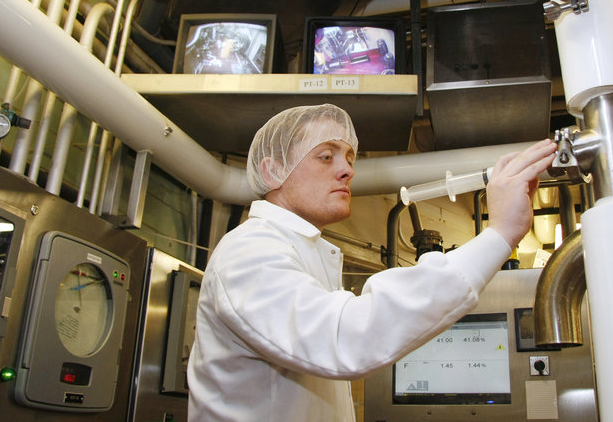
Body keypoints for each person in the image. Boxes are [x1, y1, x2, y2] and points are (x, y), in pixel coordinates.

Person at [187, 103, 557, 421]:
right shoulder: (248, 252)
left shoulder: (299, 252)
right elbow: (347, 336)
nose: (348, 169)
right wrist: (498, 236)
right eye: (326, 155)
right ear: (272, 170)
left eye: (350, 157)